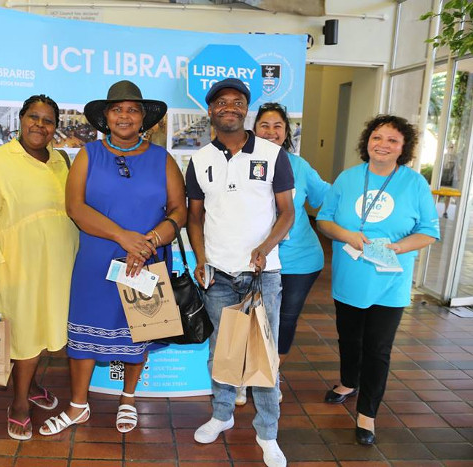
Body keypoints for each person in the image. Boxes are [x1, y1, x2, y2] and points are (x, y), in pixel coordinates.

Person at [39, 80, 186, 436]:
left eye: (132, 110)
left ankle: (128, 398)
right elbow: (75, 207)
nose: (125, 115)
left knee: (142, 328)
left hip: (147, 261)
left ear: (143, 118)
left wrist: (148, 241)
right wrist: (124, 238)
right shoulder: (89, 154)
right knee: (84, 332)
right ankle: (77, 406)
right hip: (97, 259)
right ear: (106, 116)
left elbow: (179, 211)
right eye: (117, 109)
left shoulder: (162, 158)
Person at [186, 78, 294, 467]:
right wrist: (200, 259)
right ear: (211, 110)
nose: (229, 107)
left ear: (245, 109)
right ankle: (222, 414)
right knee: (223, 350)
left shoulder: (272, 153)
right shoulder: (200, 160)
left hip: (262, 275)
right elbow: (194, 217)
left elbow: (288, 213)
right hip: (218, 274)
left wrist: (264, 250)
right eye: (221, 102)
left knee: (264, 355)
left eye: (237, 101)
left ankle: (268, 433)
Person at [317, 115, 439, 445]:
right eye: (377, 137)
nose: (383, 144)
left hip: (391, 279)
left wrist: (398, 247)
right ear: (367, 141)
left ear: (404, 148)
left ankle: (367, 414)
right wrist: (347, 235)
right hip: (351, 274)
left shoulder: (414, 184)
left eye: (392, 140)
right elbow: (325, 220)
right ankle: (347, 381)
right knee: (348, 336)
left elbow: (429, 231)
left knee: (378, 348)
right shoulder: (348, 178)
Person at [0, 94, 78, 440]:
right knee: (25, 333)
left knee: (42, 330)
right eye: (33, 117)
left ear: (55, 128)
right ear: (21, 120)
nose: (39, 125)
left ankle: (30, 384)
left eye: (47, 120)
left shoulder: (61, 161)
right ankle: (19, 405)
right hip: (16, 267)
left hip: (57, 266)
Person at [233, 103, 329, 406]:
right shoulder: (238, 162)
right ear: (254, 128)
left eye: (278, 126)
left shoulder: (300, 167)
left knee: (283, 321)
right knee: (248, 317)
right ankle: (243, 375)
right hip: (254, 260)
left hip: (299, 260)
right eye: (265, 125)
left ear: (286, 132)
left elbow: (328, 198)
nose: (271, 131)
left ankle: (270, 375)